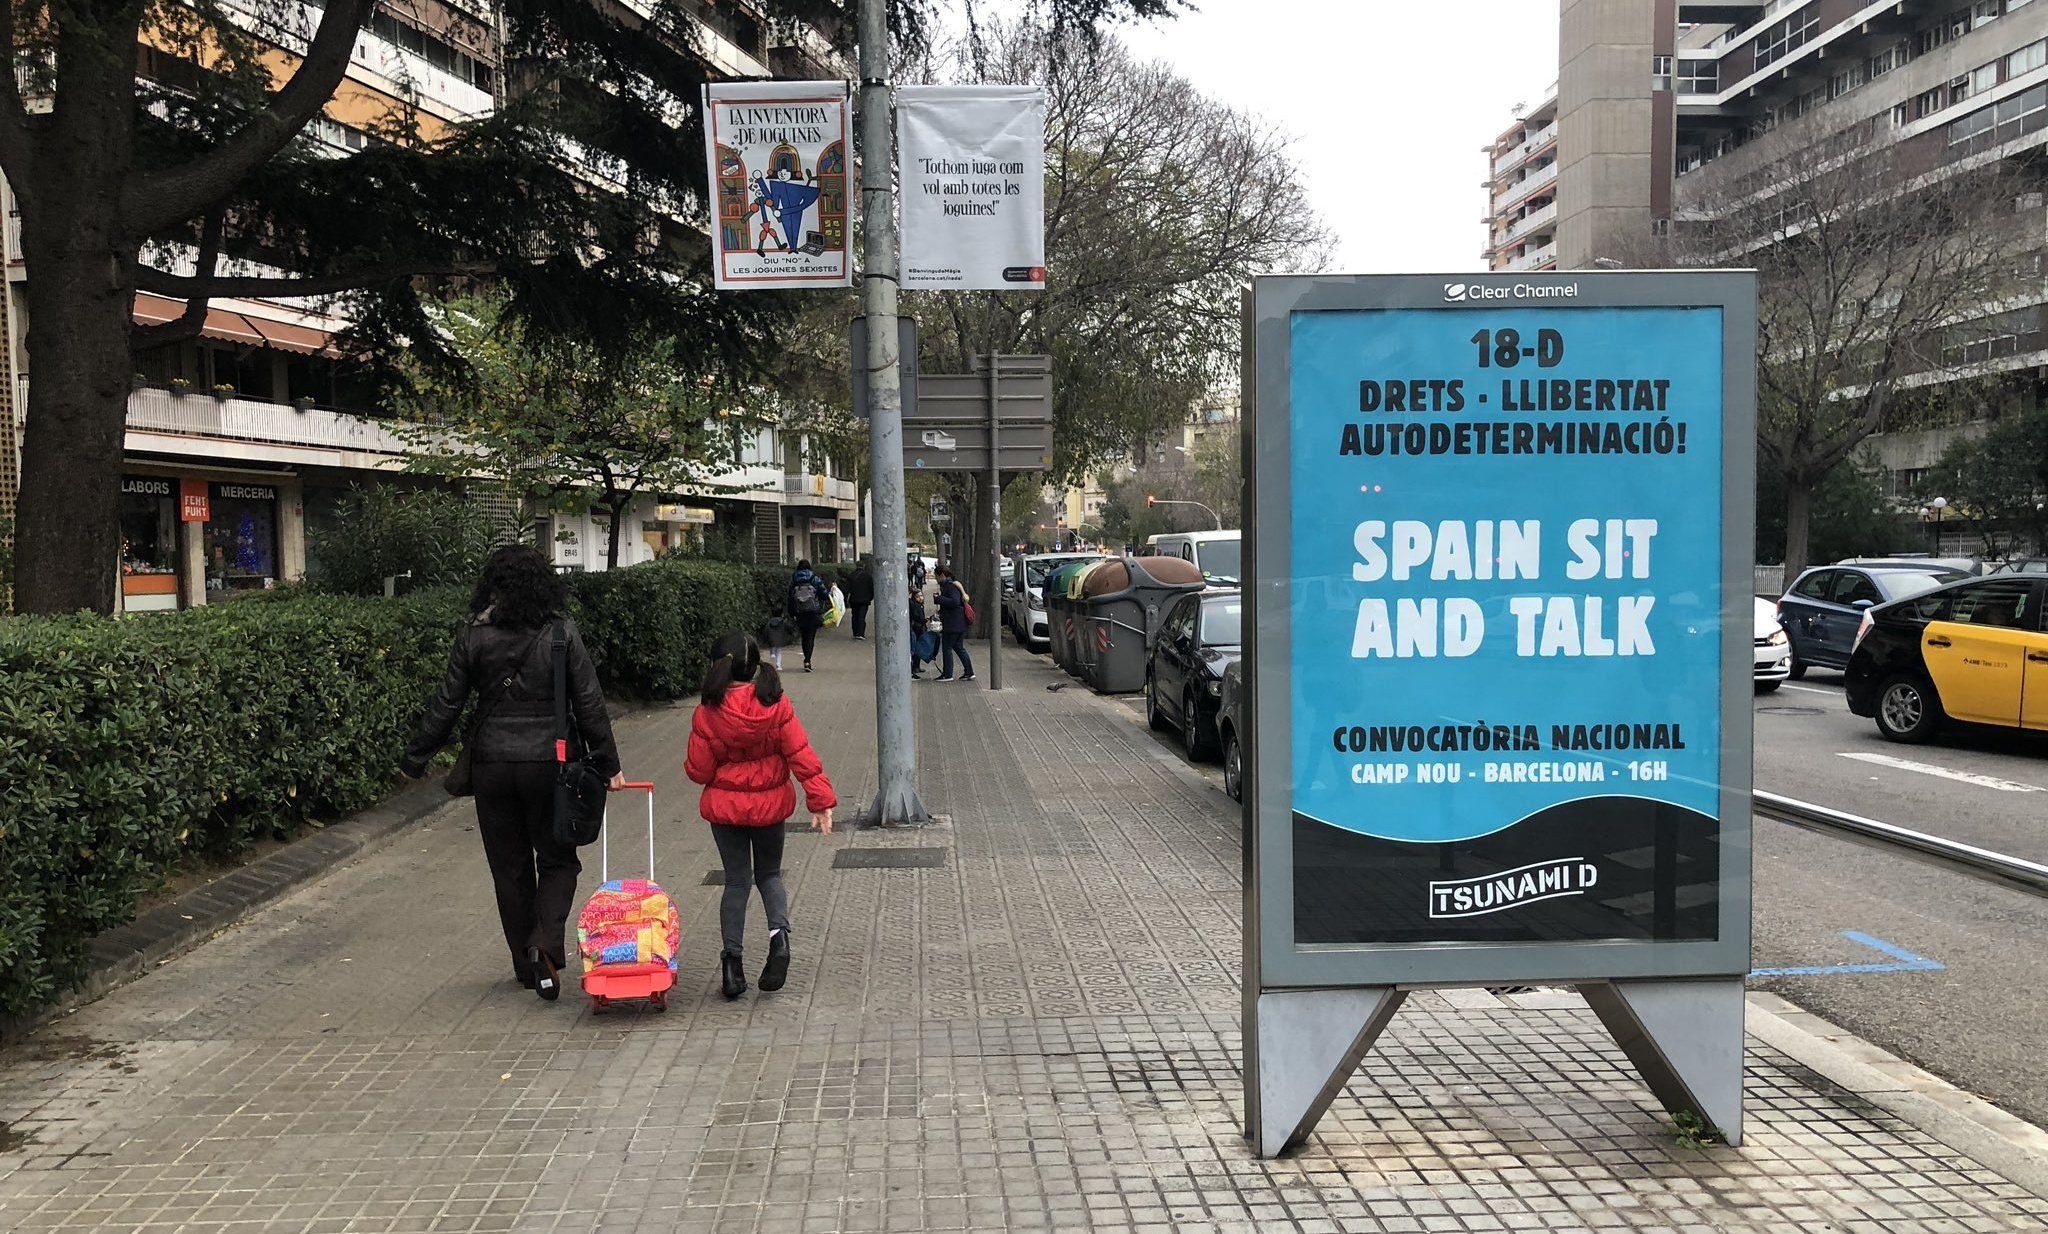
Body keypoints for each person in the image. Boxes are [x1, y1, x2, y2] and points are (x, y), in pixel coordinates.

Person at [401, 544, 624, 1003]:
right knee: (559, 860)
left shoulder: (473, 636)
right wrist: (608, 764)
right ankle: (544, 942)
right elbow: (590, 704)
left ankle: (528, 967)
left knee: (509, 868)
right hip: (551, 765)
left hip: (492, 766)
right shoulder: (561, 633)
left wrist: (415, 756)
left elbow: (448, 703)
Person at [686, 633, 836, 999]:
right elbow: (801, 752)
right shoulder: (776, 704)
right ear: (755, 667)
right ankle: (779, 941)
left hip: (726, 810)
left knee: (736, 881)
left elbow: (700, 771)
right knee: (769, 876)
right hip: (770, 807)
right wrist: (819, 801)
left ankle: (732, 966)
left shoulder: (707, 712)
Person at [931, 564, 976, 683]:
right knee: (959, 647)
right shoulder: (952, 585)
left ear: (942, 575)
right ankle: (969, 672)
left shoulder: (950, 587)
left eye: (936, 577)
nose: (936, 580)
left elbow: (954, 602)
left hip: (953, 624)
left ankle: (948, 674)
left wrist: (939, 599)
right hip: (959, 623)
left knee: (947, 648)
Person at [788, 558, 826, 672]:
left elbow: (790, 597)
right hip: (812, 611)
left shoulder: (794, 580)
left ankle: (806, 658)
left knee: (804, 636)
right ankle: (807, 660)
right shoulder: (815, 579)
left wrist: (791, 612)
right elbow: (824, 594)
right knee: (810, 637)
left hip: (799, 611)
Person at [845, 557, 875, 641]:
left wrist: (846, 599)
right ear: (864, 566)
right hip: (864, 600)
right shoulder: (868, 576)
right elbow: (871, 588)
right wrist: (870, 597)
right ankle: (861, 633)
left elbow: (847, 588)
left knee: (854, 616)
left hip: (854, 599)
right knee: (862, 616)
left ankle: (855, 633)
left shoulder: (851, 575)